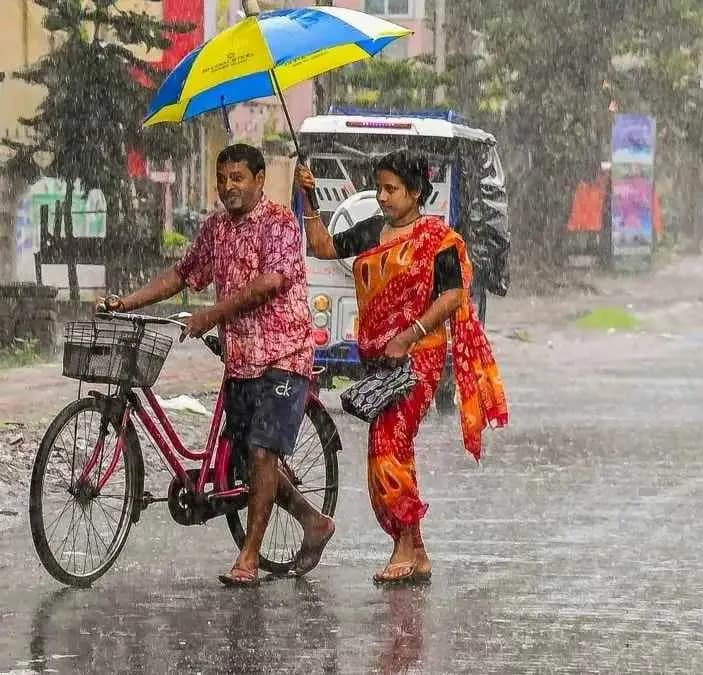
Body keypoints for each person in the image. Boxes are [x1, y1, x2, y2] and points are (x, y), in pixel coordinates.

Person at [99, 143, 335, 586]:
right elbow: (181, 274)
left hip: (284, 354)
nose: (229, 187)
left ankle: (249, 555)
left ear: (260, 179)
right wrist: (124, 302)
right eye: (222, 178)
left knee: (263, 451)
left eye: (238, 178)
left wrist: (210, 315)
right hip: (240, 359)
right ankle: (313, 520)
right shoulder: (217, 230)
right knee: (249, 462)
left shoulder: (280, 223)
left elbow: (269, 282)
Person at [297, 151, 508, 584]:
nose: (383, 196)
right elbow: (322, 247)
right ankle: (417, 549)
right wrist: (311, 201)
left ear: (416, 192)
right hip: (380, 358)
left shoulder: (438, 239)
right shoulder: (375, 230)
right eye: (380, 187)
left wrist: (409, 333)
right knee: (389, 447)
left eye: (392, 189)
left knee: (388, 446)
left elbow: (451, 296)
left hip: (420, 355)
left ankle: (402, 546)